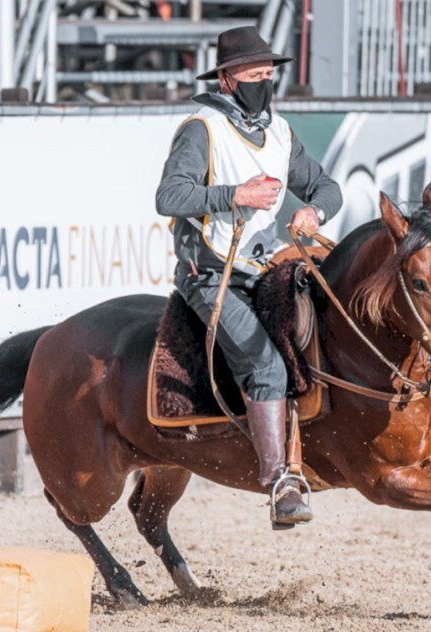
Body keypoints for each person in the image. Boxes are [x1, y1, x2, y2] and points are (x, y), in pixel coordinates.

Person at [155, 26, 343, 527]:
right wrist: (235, 195)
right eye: (254, 75)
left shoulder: (279, 132)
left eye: (268, 74)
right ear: (226, 79)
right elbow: (169, 198)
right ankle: (280, 480)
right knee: (266, 366)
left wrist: (315, 214)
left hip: (263, 268)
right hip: (210, 273)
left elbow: (325, 185)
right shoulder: (202, 128)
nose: (264, 81)